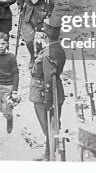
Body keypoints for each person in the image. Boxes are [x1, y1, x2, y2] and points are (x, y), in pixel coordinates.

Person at [30, 15, 66, 161]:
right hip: (56, 91)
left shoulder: (48, 54)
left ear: (46, 33)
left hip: (44, 94)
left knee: (48, 127)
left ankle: (49, 155)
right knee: (52, 125)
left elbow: (48, 80)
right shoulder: (57, 48)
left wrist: (48, 101)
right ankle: (48, 152)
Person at [16, 0, 55, 68]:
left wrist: (49, 12)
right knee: (28, 40)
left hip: (40, 15)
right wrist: (20, 5)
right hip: (27, 15)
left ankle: (39, 58)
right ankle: (32, 57)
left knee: (39, 39)